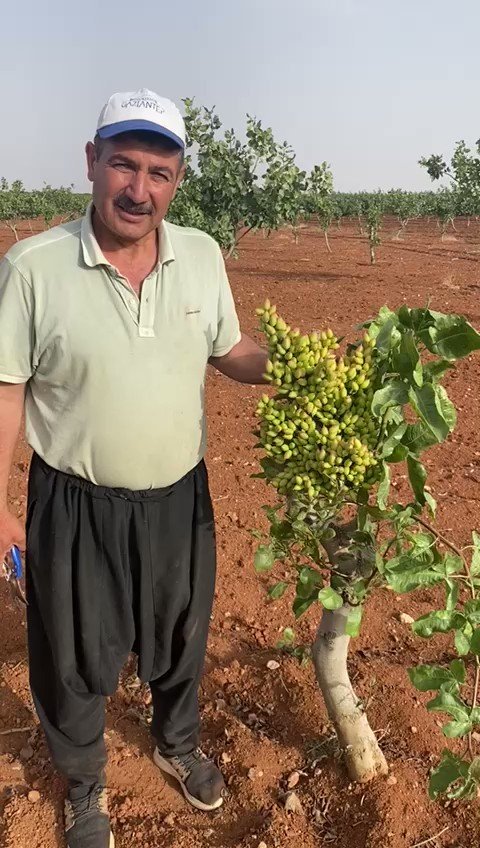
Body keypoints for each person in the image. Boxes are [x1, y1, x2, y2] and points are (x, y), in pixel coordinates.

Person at [0, 88, 267, 848]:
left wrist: (300, 367)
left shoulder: (203, 256)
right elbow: (7, 391)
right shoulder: (33, 268)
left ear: (178, 180)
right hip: (76, 503)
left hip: (181, 498)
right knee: (76, 650)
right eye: (123, 164)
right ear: (92, 163)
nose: (138, 189)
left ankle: (177, 744)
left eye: (159, 171)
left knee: (182, 633)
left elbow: (231, 350)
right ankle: (84, 786)